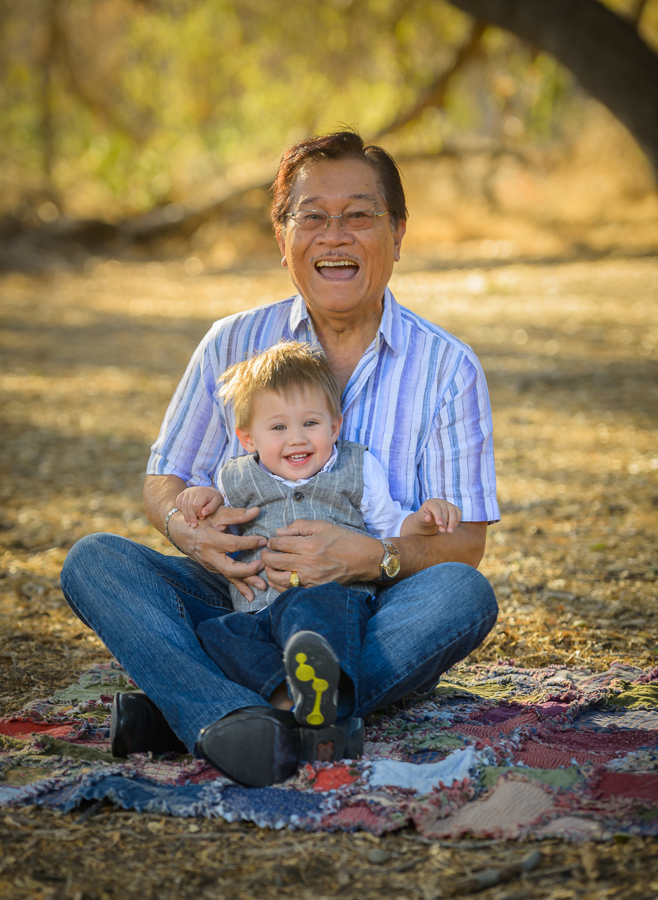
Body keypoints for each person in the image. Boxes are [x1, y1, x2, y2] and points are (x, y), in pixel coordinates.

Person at [60, 130, 499, 788]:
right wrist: (185, 523)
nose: (335, 235)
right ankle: (290, 712)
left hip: (366, 606)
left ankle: (193, 712)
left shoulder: (446, 369)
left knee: (460, 595)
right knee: (94, 560)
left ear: (398, 233)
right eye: (311, 216)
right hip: (241, 591)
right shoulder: (230, 343)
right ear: (280, 234)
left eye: (358, 214)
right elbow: (166, 478)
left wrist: (371, 556)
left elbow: (462, 543)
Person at [177, 340, 461, 740]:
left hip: (333, 600)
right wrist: (197, 501)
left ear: (335, 426)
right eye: (278, 427)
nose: (296, 439)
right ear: (248, 439)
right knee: (218, 634)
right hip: (256, 613)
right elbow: (215, 529)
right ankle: (293, 702)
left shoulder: (358, 467)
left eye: (310, 424)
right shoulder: (234, 478)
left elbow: (389, 527)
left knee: (316, 608)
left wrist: (424, 522)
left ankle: (304, 694)